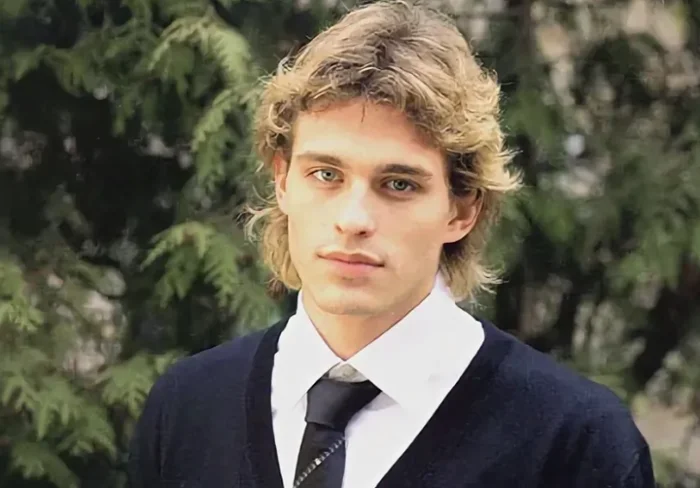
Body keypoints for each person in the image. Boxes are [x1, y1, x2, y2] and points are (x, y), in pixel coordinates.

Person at [127, 1, 656, 487]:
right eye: (326, 174)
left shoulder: (574, 444)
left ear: (461, 209)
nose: (353, 220)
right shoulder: (187, 409)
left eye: (398, 184)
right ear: (282, 181)